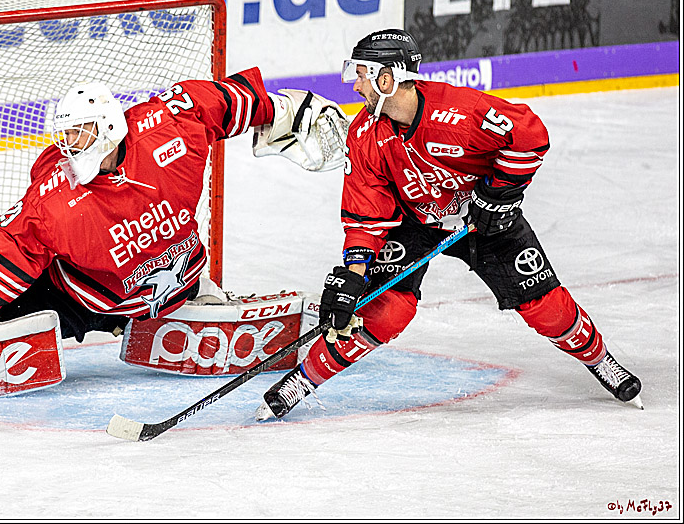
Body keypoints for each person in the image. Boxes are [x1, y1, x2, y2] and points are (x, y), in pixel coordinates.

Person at [0, 65, 348, 392]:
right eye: (64, 136)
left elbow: (225, 102)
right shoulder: (55, 191)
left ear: (112, 128)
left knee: (180, 286)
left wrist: (288, 114)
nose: (70, 146)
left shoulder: (171, 125)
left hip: (175, 283)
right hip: (79, 299)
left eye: (82, 134)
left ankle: (198, 299)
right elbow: (9, 246)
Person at [256, 29, 643, 420]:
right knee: (384, 309)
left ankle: (599, 359)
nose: (355, 86)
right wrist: (354, 274)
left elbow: (528, 135)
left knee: (546, 307)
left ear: (386, 79)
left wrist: (499, 196)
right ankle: (302, 381)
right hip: (416, 220)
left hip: (484, 219)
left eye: (361, 75)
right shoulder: (365, 133)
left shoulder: (459, 112)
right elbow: (365, 210)